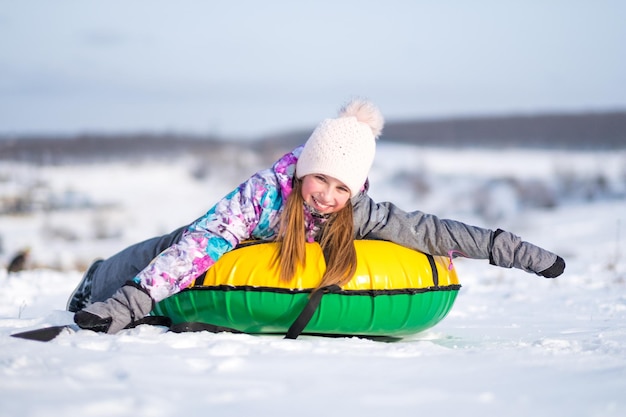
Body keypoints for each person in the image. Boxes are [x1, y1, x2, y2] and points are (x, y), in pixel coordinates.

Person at [70, 99, 565, 334]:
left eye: (341, 187)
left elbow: (434, 230)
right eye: (320, 180)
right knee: (171, 245)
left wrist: (515, 251)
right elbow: (197, 250)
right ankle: (93, 282)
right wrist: (124, 305)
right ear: (304, 170)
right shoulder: (263, 197)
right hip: (150, 268)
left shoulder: (360, 211)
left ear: (357, 189)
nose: (327, 196)